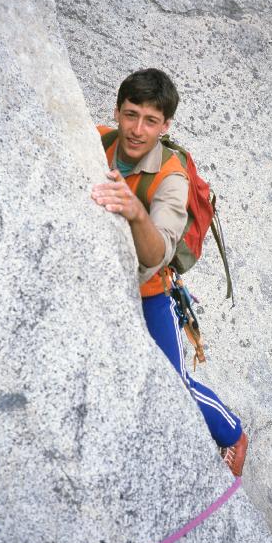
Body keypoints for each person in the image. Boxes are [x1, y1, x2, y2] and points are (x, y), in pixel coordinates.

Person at [91, 68, 248, 476]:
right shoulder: (98, 140)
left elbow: (158, 251)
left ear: (166, 125)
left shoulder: (171, 179)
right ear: (117, 111)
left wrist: (135, 212)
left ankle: (232, 433)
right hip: (103, 280)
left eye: (150, 120)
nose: (137, 130)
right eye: (130, 115)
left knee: (172, 382)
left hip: (150, 290)